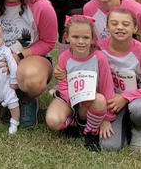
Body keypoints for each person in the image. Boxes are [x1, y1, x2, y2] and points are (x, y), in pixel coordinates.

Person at [97, 9, 141, 151]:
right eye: (114, 23)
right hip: (111, 100)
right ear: (107, 27)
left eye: (126, 24)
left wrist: (126, 97)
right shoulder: (99, 48)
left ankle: (140, 129)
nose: (120, 27)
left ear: (135, 28)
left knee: (140, 111)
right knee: (109, 146)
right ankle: (125, 121)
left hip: (138, 98)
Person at [45, 15, 115, 152]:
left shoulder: (99, 58)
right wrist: (72, 100)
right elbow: (63, 83)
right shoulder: (64, 57)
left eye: (86, 37)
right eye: (75, 37)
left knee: (100, 100)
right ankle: (73, 122)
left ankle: (90, 132)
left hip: (90, 99)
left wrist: (107, 117)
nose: (81, 42)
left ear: (93, 39)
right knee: (53, 121)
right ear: (67, 37)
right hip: (69, 99)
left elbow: (107, 87)